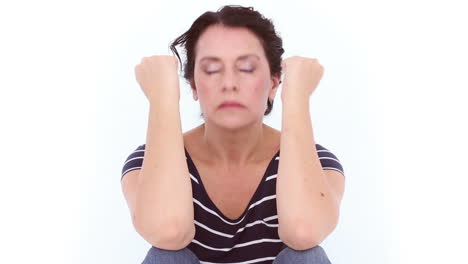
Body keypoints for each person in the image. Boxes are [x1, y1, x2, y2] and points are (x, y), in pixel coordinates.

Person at [121, 4, 345, 264]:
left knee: (307, 257)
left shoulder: (318, 162)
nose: (229, 84)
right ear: (193, 85)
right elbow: (167, 231)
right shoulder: (145, 162)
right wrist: (162, 98)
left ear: (274, 82)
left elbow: (303, 231)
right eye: (211, 69)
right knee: (165, 256)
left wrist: (296, 96)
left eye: (247, 68)